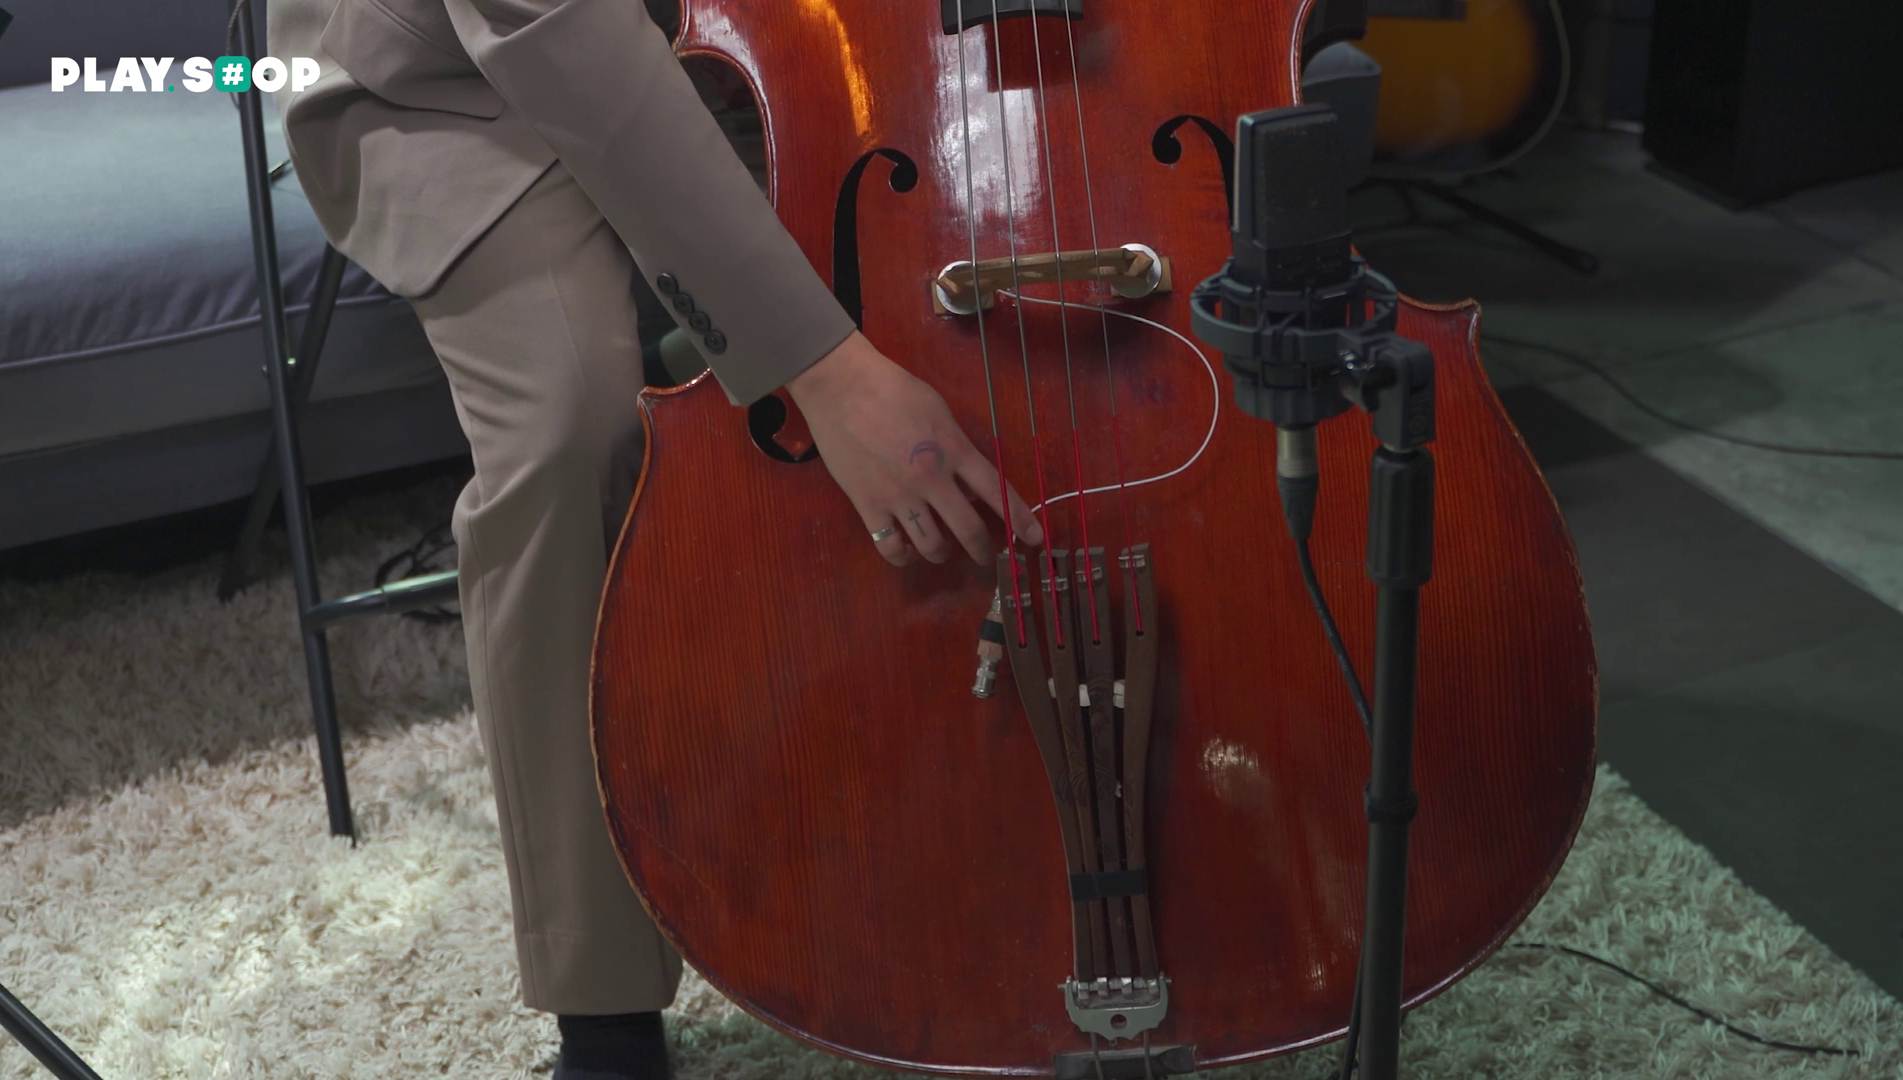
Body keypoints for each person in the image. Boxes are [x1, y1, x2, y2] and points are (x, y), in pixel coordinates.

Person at [265, 0, 1043, 1076]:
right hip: (459, 77)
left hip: (776, 26)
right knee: (569, 432)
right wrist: (825, 372)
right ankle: (603, 1000)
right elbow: (556, 32)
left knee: (979, 294)